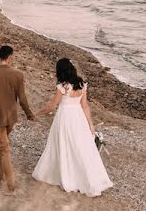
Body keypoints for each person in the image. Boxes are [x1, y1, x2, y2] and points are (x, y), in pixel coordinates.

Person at [32, 58, 112, 197]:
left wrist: (36, 114)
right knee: (79, 146)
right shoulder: (81, 84)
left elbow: (51, 106)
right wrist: (90, 124)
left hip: (65, 118)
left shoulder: (62, 86)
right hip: (78, 117)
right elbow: (85, 106)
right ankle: (85, 176)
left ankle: (66, 174)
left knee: (63, 144)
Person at [0, 45, 35, 192]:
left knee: (3, 149)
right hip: (11, 118)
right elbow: (22, 98)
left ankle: (11, 185)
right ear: (10, 56)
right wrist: (29, 114)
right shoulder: (18, 75)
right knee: (3, 148)